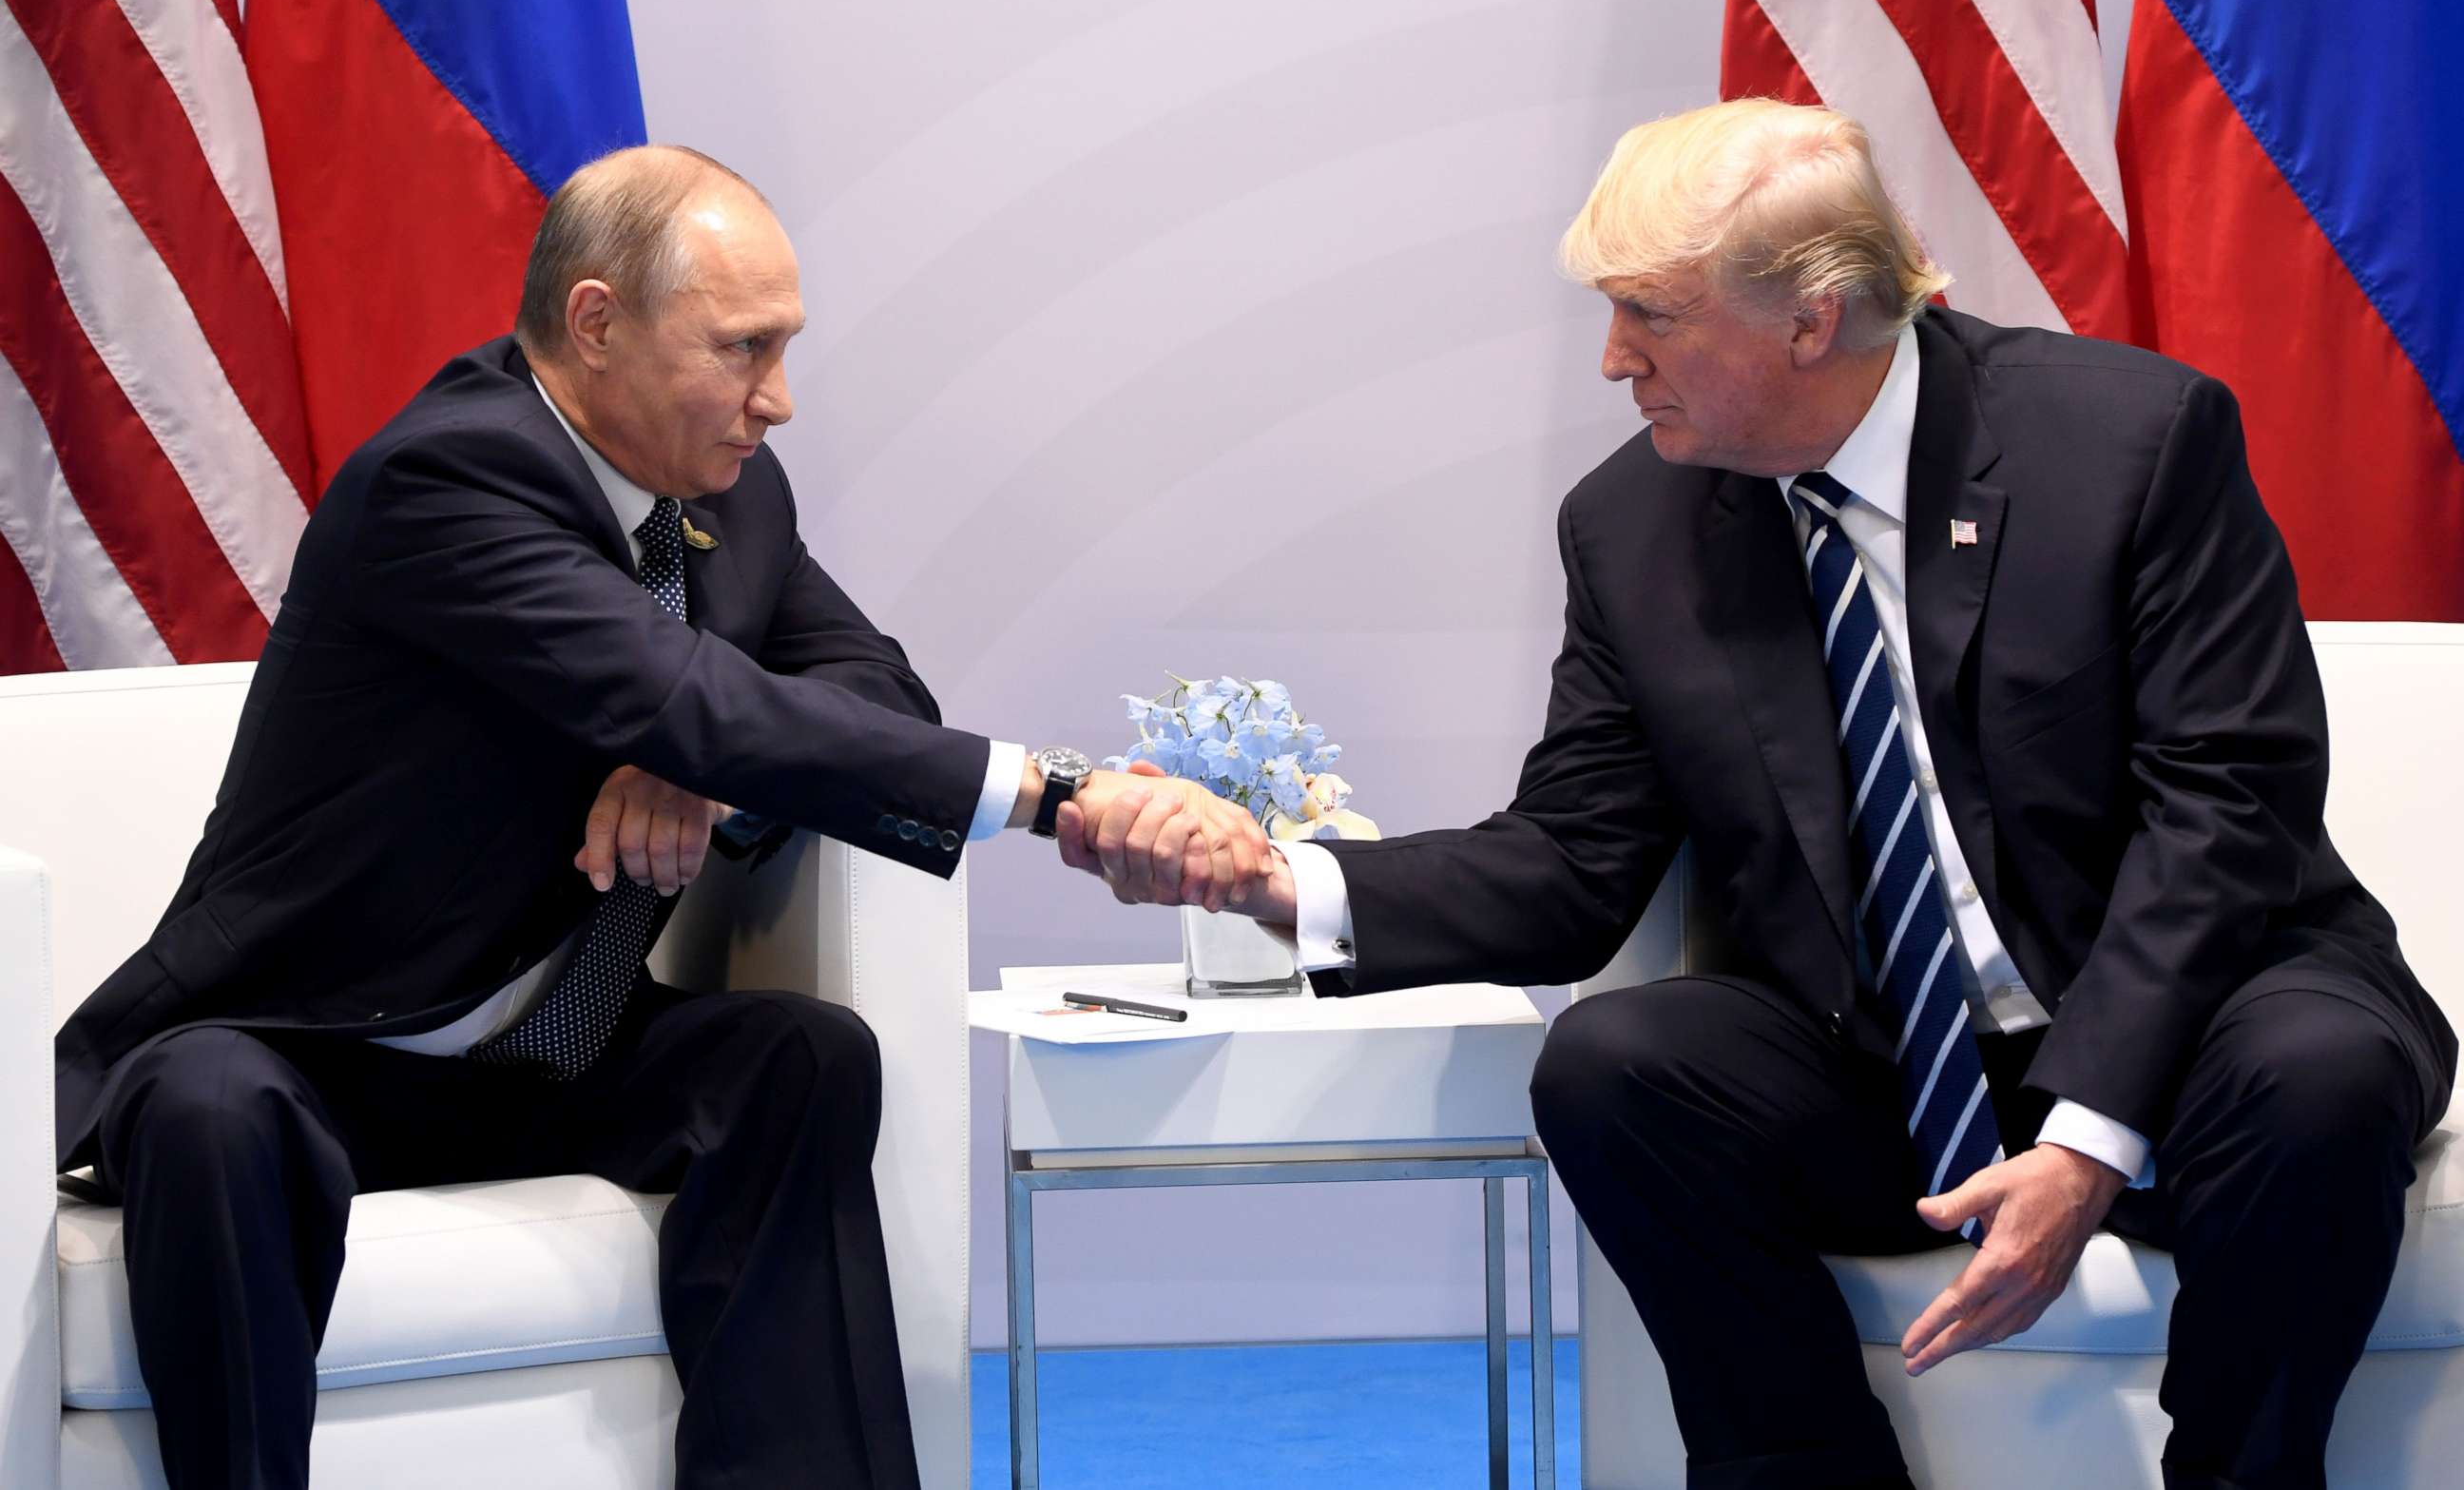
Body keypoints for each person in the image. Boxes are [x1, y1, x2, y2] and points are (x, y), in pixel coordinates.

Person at [1068, 100, 2456, 1490]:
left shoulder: (2132, 441)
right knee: (1621, 1067)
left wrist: (2091, 1129)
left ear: (1814, 318)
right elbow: (1569, 861)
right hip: (1893, 1062)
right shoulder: (1636, 527)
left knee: (2316, 1077)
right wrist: (1276, 878)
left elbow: (2223, 810)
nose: (1615, 360)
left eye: (1651, 317)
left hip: (2201, 1013)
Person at [52, 144, 1264, 1490]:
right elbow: (676, 687)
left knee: (798, 1057)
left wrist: (705, 764)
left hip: (549, 1056)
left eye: (786, 349)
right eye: (744, 349)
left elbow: (870, 686)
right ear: (595, 323)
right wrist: (1062, 791)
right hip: (310, 1042)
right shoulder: (450, 475)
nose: (780, 401)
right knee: (208, 1104)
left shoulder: (729, 498)